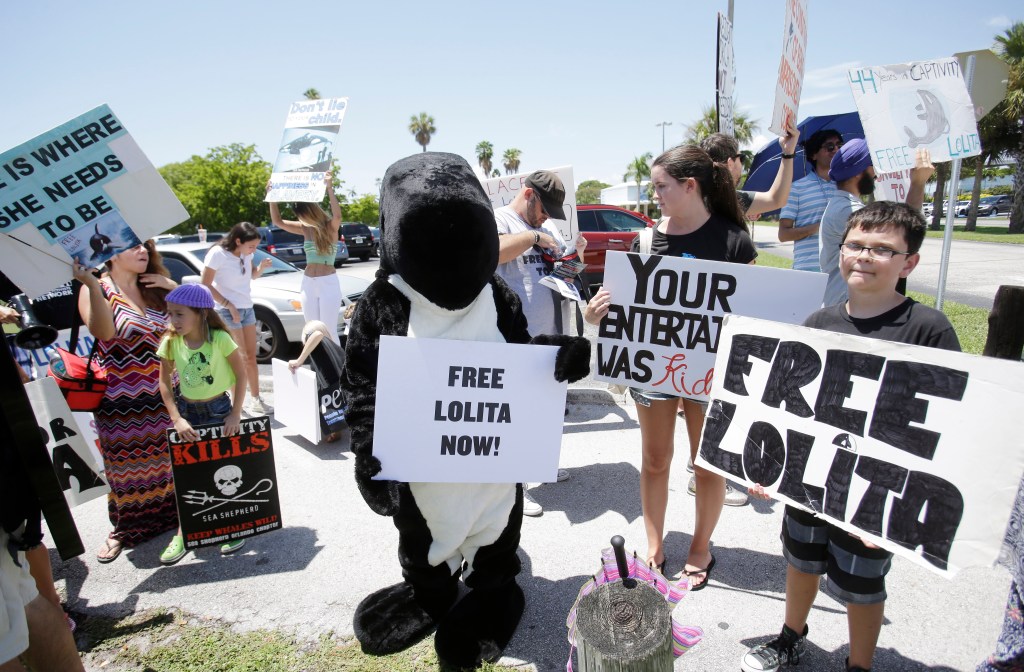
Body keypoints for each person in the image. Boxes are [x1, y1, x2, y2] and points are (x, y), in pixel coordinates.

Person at [741, 201, 961, 672]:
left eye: (882, 249)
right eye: (855, 244)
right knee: (801, 561)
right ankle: (790, 636)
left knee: (863, 585)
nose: (863, 256)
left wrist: (899, 517)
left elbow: (944, 430)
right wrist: (767, 469)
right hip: (811, 481)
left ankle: (859, 665)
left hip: (874, 494)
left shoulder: (929, 329)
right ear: (840, 250)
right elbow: (787, 406)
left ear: (910, 262)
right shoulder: (820, 323)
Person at [584, 145, 756, 584]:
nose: (654, 194)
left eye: (661, 186)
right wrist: (595, 315)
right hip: (654, 367)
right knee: (656, 459)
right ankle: (654, 545)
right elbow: (626, 308)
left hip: (713, 373)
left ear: (690, 186)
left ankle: (701, 547)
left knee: (707, 464)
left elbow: (755, 315)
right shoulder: (645, 240)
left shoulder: (734, 242)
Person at [74, 242, 180, 563]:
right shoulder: (100, 289)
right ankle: (125, 528)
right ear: (112, 254)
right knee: (126, 470)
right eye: (133, 246)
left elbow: (195, 321)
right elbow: (104, 331)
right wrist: (92, 285)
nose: (143, 250)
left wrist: (173, 288)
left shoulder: (155, 286)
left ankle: (177, 518)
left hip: (166, 394)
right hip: (123, 403)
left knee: (171, 463)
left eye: (146, 245)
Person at [494, 170, 584, 516]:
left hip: (550, 332)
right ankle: (517, 485)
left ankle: (540, 466)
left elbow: (563, 271)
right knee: (514, 411)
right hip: (514, 335)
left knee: (544, 406)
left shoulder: (544, 228)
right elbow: (496, 252)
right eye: (544, 209)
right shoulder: (500, 219)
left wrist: (574, 257)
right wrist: (533, 236)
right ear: (528, 194)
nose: (547, 217)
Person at [156, 283, 248, 564]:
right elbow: (163, 382)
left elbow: (241, 375)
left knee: (224, 469)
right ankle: (185, 533)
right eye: (171, 314)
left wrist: (234, 413)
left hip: (219, 409)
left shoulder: (219, 338)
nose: (174, 320)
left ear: (201, 313)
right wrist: (177, 418)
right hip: (188, 413)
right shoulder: (170, 341)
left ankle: (233, 525)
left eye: (180, 314)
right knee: (188, 475)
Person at [819, 142, 933, 307]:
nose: (877, 174)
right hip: (846, 305)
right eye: (874, 166)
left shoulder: (841, 205)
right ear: (858, 172)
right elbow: (904, 231)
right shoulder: (846, 210)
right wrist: (918, 183)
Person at [202, 222, 273, 416]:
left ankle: (256, 400)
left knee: (251, 357)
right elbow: (206, 284)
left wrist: (261, 267)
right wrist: (228, 304)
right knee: (238, 359)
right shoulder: (218, 253)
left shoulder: (246, 254)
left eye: (255, 246)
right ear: (238, 240)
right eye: (251, 246)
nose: (254, 250)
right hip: (225, 311)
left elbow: (253, 276)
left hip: (246, 309)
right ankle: (236, 406)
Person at [268, 172, 343, 344]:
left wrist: (329, 188)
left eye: (301, 215)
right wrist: (272, 197)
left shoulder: (330, 227)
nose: (299, 219)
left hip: (327, 282)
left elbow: (337, 216)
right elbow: (278, 222)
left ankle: (337, 368)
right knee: (311, 329)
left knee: (328, 329)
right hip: (308, 282)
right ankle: (318, 367)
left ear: (310, 212)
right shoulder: (305, 229)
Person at [700, 119, 800, 219]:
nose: (742, 164)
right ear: (730, 163)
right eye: (741, 158)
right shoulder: (733, 201)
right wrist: (788, 153)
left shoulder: (692, 198)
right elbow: (777, 199)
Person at [778, 128, 844, 272]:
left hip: (840, 273)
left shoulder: (846, 186)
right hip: (808, 270)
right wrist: (819, 227)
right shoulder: (796, 188)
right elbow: (783, 234)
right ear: (814, 154)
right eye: (830, 147)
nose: (836, 150)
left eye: (840, 145)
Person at [288, 320, 348, 443]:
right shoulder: (330, 345)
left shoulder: (317, 343)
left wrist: (299, 360)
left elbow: (316, 334)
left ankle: (335, 429)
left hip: (331, 388)